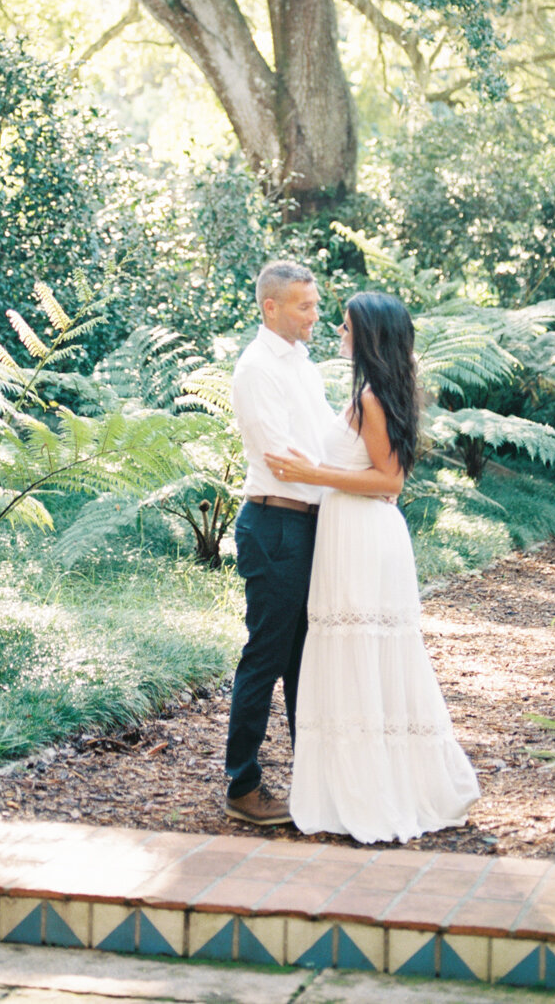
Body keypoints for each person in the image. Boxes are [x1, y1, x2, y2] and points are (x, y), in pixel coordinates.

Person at [266, 291, 480, 843]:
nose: (338, 328)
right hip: (356, 533)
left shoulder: (371, 398)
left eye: (347, 324)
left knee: (361, 650)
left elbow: (389, 483)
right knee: (358, 651)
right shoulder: (374, 392)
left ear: (370, 336)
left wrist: (309, 472)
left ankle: (373, 794)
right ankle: (361, 786)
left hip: (363, 534)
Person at [224, 260, 335, 825]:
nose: (315, 314)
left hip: (309, 524)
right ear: (271, 308)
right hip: (276, 525)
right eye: (305, 306)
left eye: (314, 304)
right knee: (266, 657)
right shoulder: (256, 369)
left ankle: (310, 779)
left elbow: (322, 442)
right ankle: (242, 787)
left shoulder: (302, 365)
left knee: (303, 661)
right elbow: (284, 462)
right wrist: (350, 480)